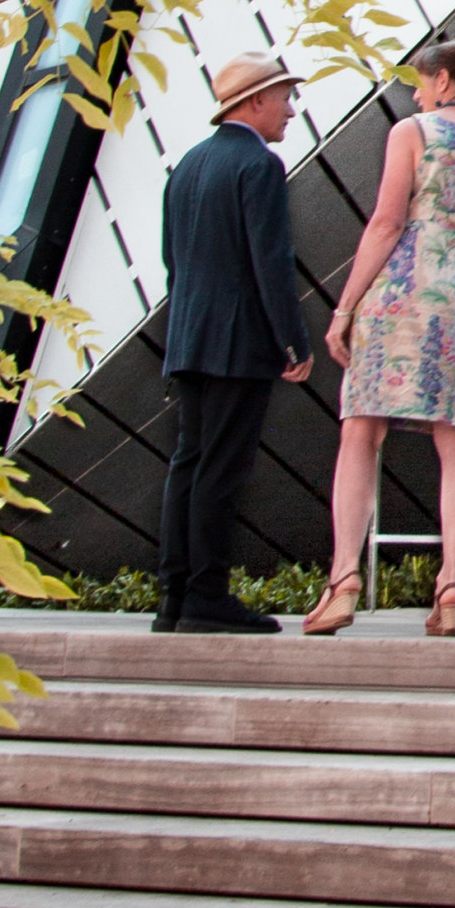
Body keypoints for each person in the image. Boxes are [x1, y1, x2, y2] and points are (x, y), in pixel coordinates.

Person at [301, 40, 455, 640]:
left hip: (401, 298)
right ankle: (452, 584)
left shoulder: (413, 132)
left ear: (446, 84)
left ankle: (344, 579)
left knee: (362, 432)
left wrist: (343, 308)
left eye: (420, 81)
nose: (414, 92)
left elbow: (386, 223)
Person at [155, 53, 315, 631]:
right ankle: (206, 597)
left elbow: (172, 260)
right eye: (284, 98)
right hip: (237, 341)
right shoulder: (260, 166)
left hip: (189, 337)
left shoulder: (188, 165)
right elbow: (270, 262)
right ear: (254, 102)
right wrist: (293, 343)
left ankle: (174, 597)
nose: (291, 111)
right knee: (221, 469)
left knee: (189, 464)